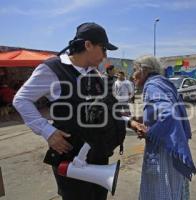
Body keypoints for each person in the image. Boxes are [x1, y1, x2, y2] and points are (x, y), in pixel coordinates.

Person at [13, 22, 128, 200]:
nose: (105, 56)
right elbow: (21, 100)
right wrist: (48, 132)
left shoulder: (94, 74)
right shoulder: (52, 69)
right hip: (71, 160)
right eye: (103, 49)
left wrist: (129, 122)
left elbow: (106, 108)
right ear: (88, 45)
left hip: (97, 156)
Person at [130, 55, 196, 200]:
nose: (132, 75)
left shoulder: (152, 85)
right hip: (172, 145)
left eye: (135, 70)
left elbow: (169, 115)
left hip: (164, 150)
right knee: (174, 190)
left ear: (144, 70)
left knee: (161, 192)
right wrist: (143, 119)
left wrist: (149, 132)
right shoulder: (163, 82)